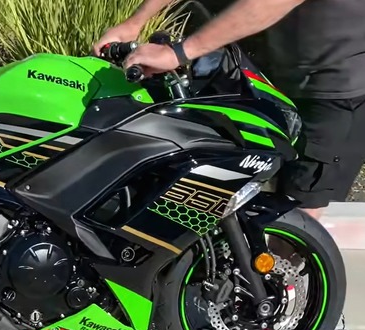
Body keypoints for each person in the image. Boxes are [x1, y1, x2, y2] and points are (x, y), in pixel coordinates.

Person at [93, 0, 365, 221]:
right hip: (257, 71)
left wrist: (179, 52)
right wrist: (134, 24)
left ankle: (286, 286)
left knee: (293, 215)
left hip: (328, 86)